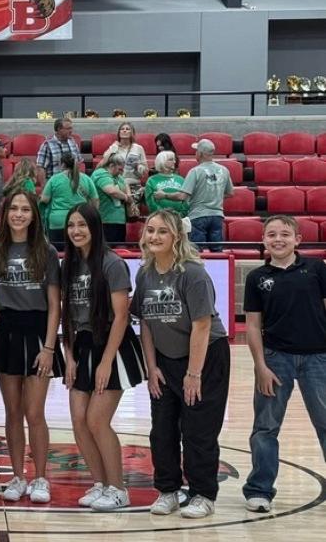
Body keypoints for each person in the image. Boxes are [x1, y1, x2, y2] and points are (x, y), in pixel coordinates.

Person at [133, 209, 230, 519]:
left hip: (205, 358)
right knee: (161, 430)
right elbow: (145, 323)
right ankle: (168, 490)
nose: (154, 237)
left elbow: (202, 325)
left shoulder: (193, 273)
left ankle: (203, 494)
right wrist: (152, 368)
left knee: (197, 430)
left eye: (162, 231)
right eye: (150, 230)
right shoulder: (145, 272)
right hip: (165, 360)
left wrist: (193, 373)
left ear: (177, 236)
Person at [60, 203, 146, 511]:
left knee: (97, 420)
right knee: (79, 421)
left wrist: (107, 361)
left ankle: (119, 489)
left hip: (111, 345)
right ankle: (100, 484)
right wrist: (68, 356)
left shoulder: (112, 263)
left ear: (95, 227)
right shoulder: (68, 265)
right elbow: (66, 315)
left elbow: (121, 316)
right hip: (80, 347)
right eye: (71, 226)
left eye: (82, 225)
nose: (76, 231)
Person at [0, 190, 62, 504]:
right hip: (6, 334)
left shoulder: (46, 251)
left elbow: (55, 305)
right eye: (13, 208)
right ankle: (17, 476)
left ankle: (41, 477)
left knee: (34, 412)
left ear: (33, 215)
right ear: (6, 214)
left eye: (25, 209)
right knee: (12, 412)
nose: (18, 214)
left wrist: (50, 347)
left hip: (38, 334)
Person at [242, 215, 326, 514]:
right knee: (265, 428)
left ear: (298, 239)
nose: (278, 239)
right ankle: (259, 490)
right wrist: (260, 366)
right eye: (271, 234)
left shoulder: (316, 269)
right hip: (276, 360)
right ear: (263, 240)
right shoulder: (256, 278)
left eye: (285, 234)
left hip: (318, 359)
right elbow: (252, 326)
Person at [177, 139, 234, 252]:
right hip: (217, 215)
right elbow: (230, 193)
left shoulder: (195, 171)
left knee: (196, 251)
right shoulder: (224, 170)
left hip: (198, 215)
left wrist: (164, 195)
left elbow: (182, 196)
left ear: (200, 153)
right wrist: (214, 196)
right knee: (217, 251)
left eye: (196, 151)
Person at [40, 153, 97, 246]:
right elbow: (95, 200)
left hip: (57, 222)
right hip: (80, 220)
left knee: (57, 253)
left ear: (62, 164)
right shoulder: (86, 179)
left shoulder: (54, 179)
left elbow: (45, 200)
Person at [91, 154, 132, 244]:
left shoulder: (118, 177)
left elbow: (126, 187)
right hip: (106, 220)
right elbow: (111, 191)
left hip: (120, 220)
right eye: (120, 169)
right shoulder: (100, 173)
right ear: (111, 165)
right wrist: (126, 197)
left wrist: (128, 196)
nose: (121, 172)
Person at [101, 122, 148, 196]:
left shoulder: (138, 148)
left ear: (132, 132)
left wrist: (139, 167)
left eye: (127, 129)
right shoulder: (114, 147)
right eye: (122, 129)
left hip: (133, 183)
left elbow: (146, 171)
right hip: (117, 183)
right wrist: (113, 149)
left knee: (134, 206)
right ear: (119, 133)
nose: (124, 130)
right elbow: (103, 164)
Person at [35, 118, 81, 186]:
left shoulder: (73, 142)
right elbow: (40, 168)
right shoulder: (47, 145)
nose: (71, 131)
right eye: (68, 129)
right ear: (59, 129)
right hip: (54, 184)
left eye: (71, 128)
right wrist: (44, 188)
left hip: (72, 183)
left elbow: (78, 163)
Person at [145, 151, 188, 216]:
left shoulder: (181, 179)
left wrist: (181, 214)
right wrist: (163, 215)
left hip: (179, 218)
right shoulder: (151, 180)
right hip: (160, 217)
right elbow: (150, 202)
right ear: (162, 162)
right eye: (171, 160)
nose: (174, 162)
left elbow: (186, 199)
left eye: (174, 160)